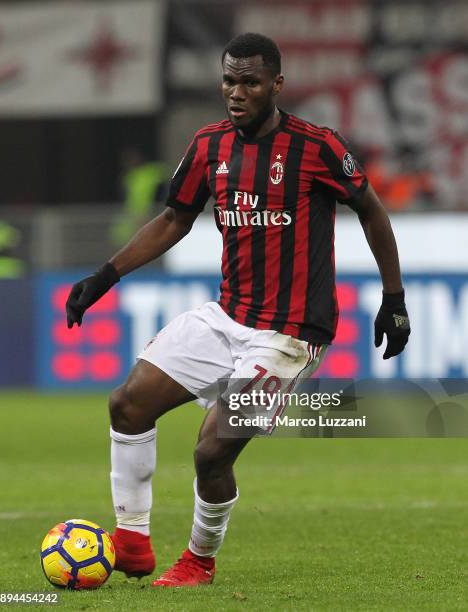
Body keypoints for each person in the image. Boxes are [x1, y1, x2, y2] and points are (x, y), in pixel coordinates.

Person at [65, 33, 411, 587]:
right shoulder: (208, 146)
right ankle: (131, 543)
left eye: (250, 81)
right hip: (228, 317)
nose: (237, 92)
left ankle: (198, 561)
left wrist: (393, 298)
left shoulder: (317, 147)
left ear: (276, 84)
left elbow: (371, 211)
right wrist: (106, 275)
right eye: (229, 80)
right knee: (128, 405)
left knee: (211, 449)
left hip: (291, 335)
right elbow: (175, 219)